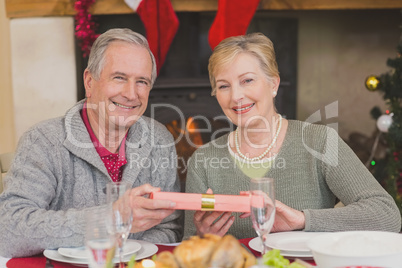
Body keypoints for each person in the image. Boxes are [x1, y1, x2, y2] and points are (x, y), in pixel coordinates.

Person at [183, 33, 401, 239]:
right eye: (223, 86)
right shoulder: (202, 161)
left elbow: (387, 215)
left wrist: (303, 220)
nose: (236, 96)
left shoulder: (319, 141)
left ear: (273, 84)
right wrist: (202, 238)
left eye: (247, 80)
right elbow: (187, 248)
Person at [0, 28, 182, 258]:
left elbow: (170, 228)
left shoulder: (159, 140)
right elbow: (8, 230)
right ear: (89, 81)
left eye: (142, 81)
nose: (131, 93)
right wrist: (112, 218)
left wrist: (125, 257)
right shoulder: (44, 140)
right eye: (119, 78)